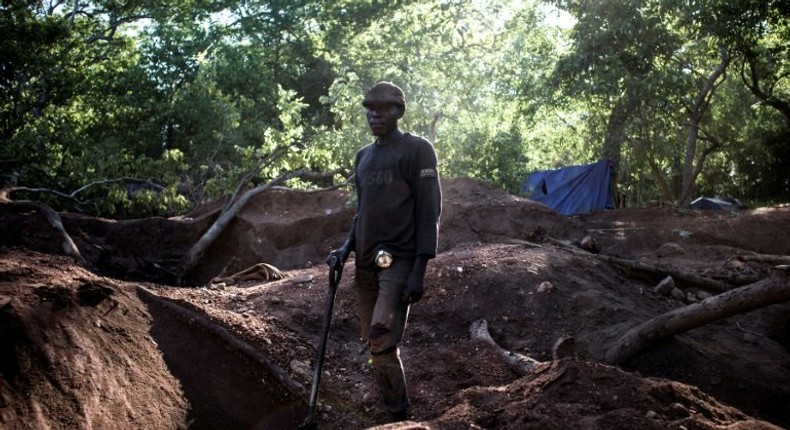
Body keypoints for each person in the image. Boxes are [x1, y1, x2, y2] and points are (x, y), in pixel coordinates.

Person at [327, 81, 442, 422]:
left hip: (399, 260)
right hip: (365, 264)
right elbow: (363, 211)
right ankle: (391, 409)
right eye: (370, 109)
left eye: (384, 108)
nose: (375, 114)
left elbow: (429, 209)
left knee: (381, 339)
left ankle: (398, 416)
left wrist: (419, 269)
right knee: (374, 344)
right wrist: (345, 248)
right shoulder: (364, 156)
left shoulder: (418, 150)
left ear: (398, 112)